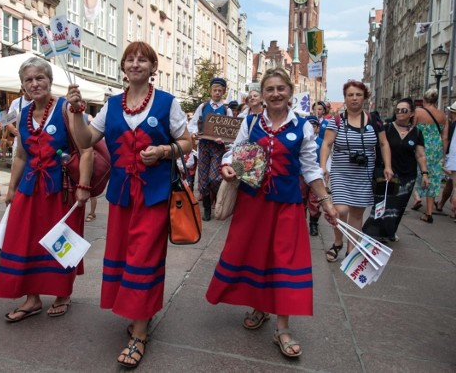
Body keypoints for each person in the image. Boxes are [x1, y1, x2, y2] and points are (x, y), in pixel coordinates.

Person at [66, 41, 192, 368]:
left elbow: (187, 143)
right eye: (130, 59)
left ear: (153, 67)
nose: (135, 64)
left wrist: (164, 152)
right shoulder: (111, 105)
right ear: (123, 67)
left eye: (143, 60)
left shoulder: (167, 103)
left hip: (154, 194)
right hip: (122, 193)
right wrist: (76, 113)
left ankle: (139, 334)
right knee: (123, 255)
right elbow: (84, 141)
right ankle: (140, 314)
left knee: (145, 257)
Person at [206, 67, 338, 359]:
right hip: (252, 205)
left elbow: (310, 168)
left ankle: (283, 328)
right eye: (270, 89)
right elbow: (235, 152)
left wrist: (325, 201)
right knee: (254, 257)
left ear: (290, 92)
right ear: (262, 95)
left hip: (287, 205)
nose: (276, 94)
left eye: (281, 88)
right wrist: (229, 166)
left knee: (285, 263)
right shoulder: (251, 121)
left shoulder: (303, 126)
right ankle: (260, 307)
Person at [0, 57, 92, 322]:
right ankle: (32, 298)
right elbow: (20, 156)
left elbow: (86, 150)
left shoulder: (66, 109)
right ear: (23, 85)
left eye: (40, 78)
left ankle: (63, 293)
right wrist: (11, 189)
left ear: (50, 80)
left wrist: (83, 186)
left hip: (60, 187)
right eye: (29, 80)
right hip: (30, 187)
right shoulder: (23, 114)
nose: (35, 83)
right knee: (24, 240)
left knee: (61, 241)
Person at [319, 80, 394, 262]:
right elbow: (327, 144)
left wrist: (388, 166)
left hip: (364, 173)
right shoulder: (336, 120)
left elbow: (384, 143)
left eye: (358, 95)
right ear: (345, 98)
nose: (354, 98)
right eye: (350, 95)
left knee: (357, 213)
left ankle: (351, 249)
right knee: (341, 209)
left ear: (364, 97)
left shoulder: (374, 119)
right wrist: (322, 166)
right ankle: (338, 242)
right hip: (341, 172)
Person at [363, 99, 429, 242]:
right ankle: (375, 233)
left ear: (411, 113)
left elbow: (420, 155)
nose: (400, 112)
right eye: (398, 110)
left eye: (404, 110)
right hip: (385, 173)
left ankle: (389, 232)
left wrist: (425, 173)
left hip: (407, 175)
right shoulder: (386, 129)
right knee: (382, 204)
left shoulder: (416, 133)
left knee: (398, 206)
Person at [188, 77, 233, 221]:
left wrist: (224, 139)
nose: (217, 93)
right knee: (202, 179)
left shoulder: (227, 109)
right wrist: (194, 132)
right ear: (211, 91)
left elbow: (230, 132)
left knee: (214, 178)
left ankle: (215, 197)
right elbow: (193, 123)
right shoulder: (202, 107)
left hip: (218, 147)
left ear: (224, 92)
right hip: (204, 145)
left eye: (220, 90)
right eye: (215, 90)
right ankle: (207, 208)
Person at [411, 88, 447, 223]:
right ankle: (429, 212)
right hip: (436, 149)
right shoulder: (442, 115)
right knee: (432, 179)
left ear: (424, 99)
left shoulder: (418, 112)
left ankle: (417, 197)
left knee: (415, 173)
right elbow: (445, 137)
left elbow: (412, 130)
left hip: (420, 148)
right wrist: (443, 154)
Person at [300, 115, 324, 236]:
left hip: (316, 176)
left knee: (315, 201)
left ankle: (314, 223)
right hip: (301, 175)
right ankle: (301, 223)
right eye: (309, 126)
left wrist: (325, 172)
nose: (311, 128)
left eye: (313, 126)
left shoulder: (321, 142)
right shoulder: (300, 140)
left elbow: (326, 159)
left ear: (317, 128)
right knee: (301, 198)